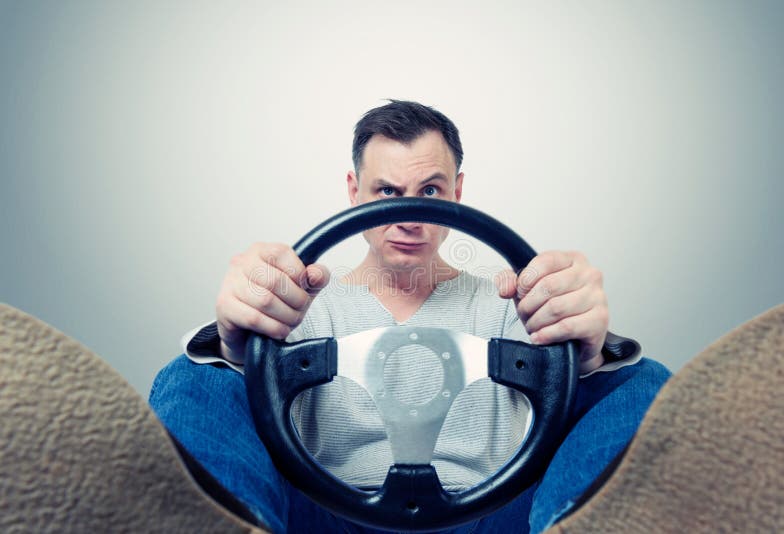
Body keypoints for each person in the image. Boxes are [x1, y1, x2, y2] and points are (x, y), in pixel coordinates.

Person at [149, 100, 671, 533]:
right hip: (324, 516)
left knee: (637, 378)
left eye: (430, 192)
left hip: (491, 516)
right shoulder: (296, 305)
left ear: (458, 195)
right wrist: (232, 342)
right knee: (192, 375)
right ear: (354, 195)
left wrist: (590, 347)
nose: (409, 215)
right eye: (387, 193)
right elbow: (220, 389)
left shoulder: (514, 305)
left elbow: (590, 381)